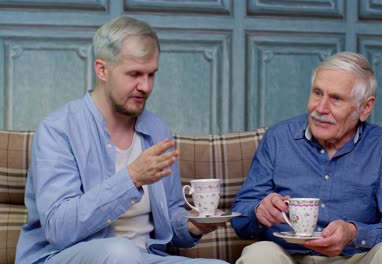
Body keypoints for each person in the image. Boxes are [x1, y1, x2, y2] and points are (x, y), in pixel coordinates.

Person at [15, 16, 228, 264]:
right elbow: (59, 228)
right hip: (64, 256)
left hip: (144, 257)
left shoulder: (157, 129)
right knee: (120, 253)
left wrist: (191, 226)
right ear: (102, 69)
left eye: (151, 75)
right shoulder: (58, 130)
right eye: (135, 74)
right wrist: (132, 178)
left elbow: (170, 215)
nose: (145, 87)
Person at [231, 52, 382, 264]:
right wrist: (258, 212)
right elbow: (240, 220)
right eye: (317, 93)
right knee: (259, 254)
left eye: (336, 99)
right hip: (289, 257)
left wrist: (353, 233)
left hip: (356, 257)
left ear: (365, 107)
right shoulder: (278, 138)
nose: (320, 108)